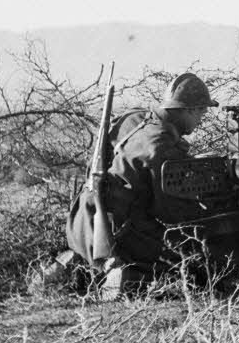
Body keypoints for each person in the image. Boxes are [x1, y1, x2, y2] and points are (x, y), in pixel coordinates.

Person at [94, 72, 220, 300]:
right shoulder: (162, 146)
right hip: (122, 232)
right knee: (196, 256)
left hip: (88, 220)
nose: (201, 119)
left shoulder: (135, 118)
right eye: (202, 111)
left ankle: (86, 263)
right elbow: (171, 212)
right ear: (188, 109)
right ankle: (127, 275)